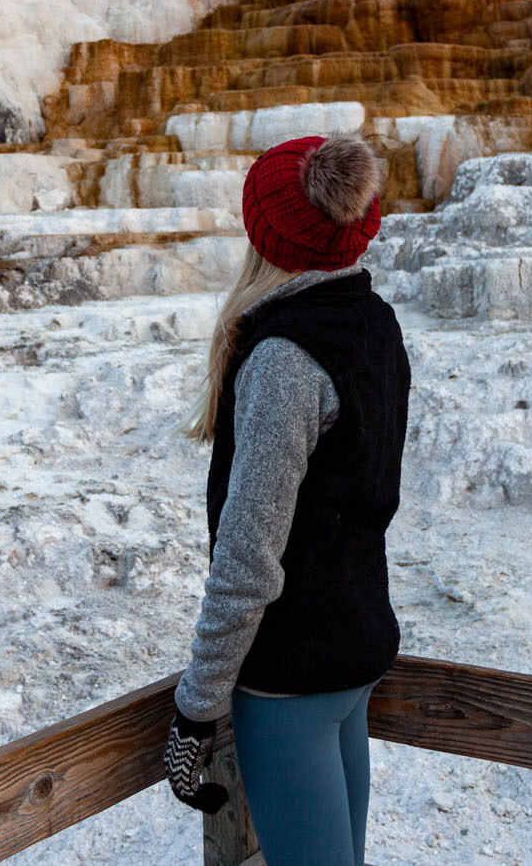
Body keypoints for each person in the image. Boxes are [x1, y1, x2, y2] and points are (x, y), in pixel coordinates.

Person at [163, 133, 412, 866]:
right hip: (355, 658)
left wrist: (197, 707)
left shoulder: (282, 361)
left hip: (289, 689)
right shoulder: (378, 325)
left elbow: (247, 557)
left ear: (266, 235)